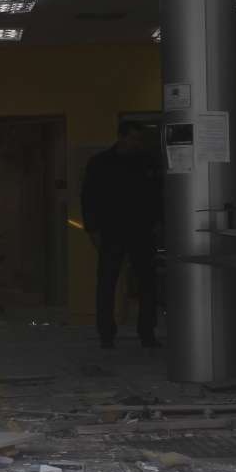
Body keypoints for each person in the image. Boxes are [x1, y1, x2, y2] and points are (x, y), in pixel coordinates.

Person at [81, 122, 163, 349]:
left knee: (147, 283)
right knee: (107, 283)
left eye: (139, 140)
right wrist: (92, 229)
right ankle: (106, 334)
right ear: (121, 137)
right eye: (133, 139)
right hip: (111, 230)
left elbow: (157, 195)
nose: (136, 144)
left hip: (141, 230)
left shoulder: (146, 162)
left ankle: (147, 332)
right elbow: (89, 197)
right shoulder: (101, 163)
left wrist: (157, 223)